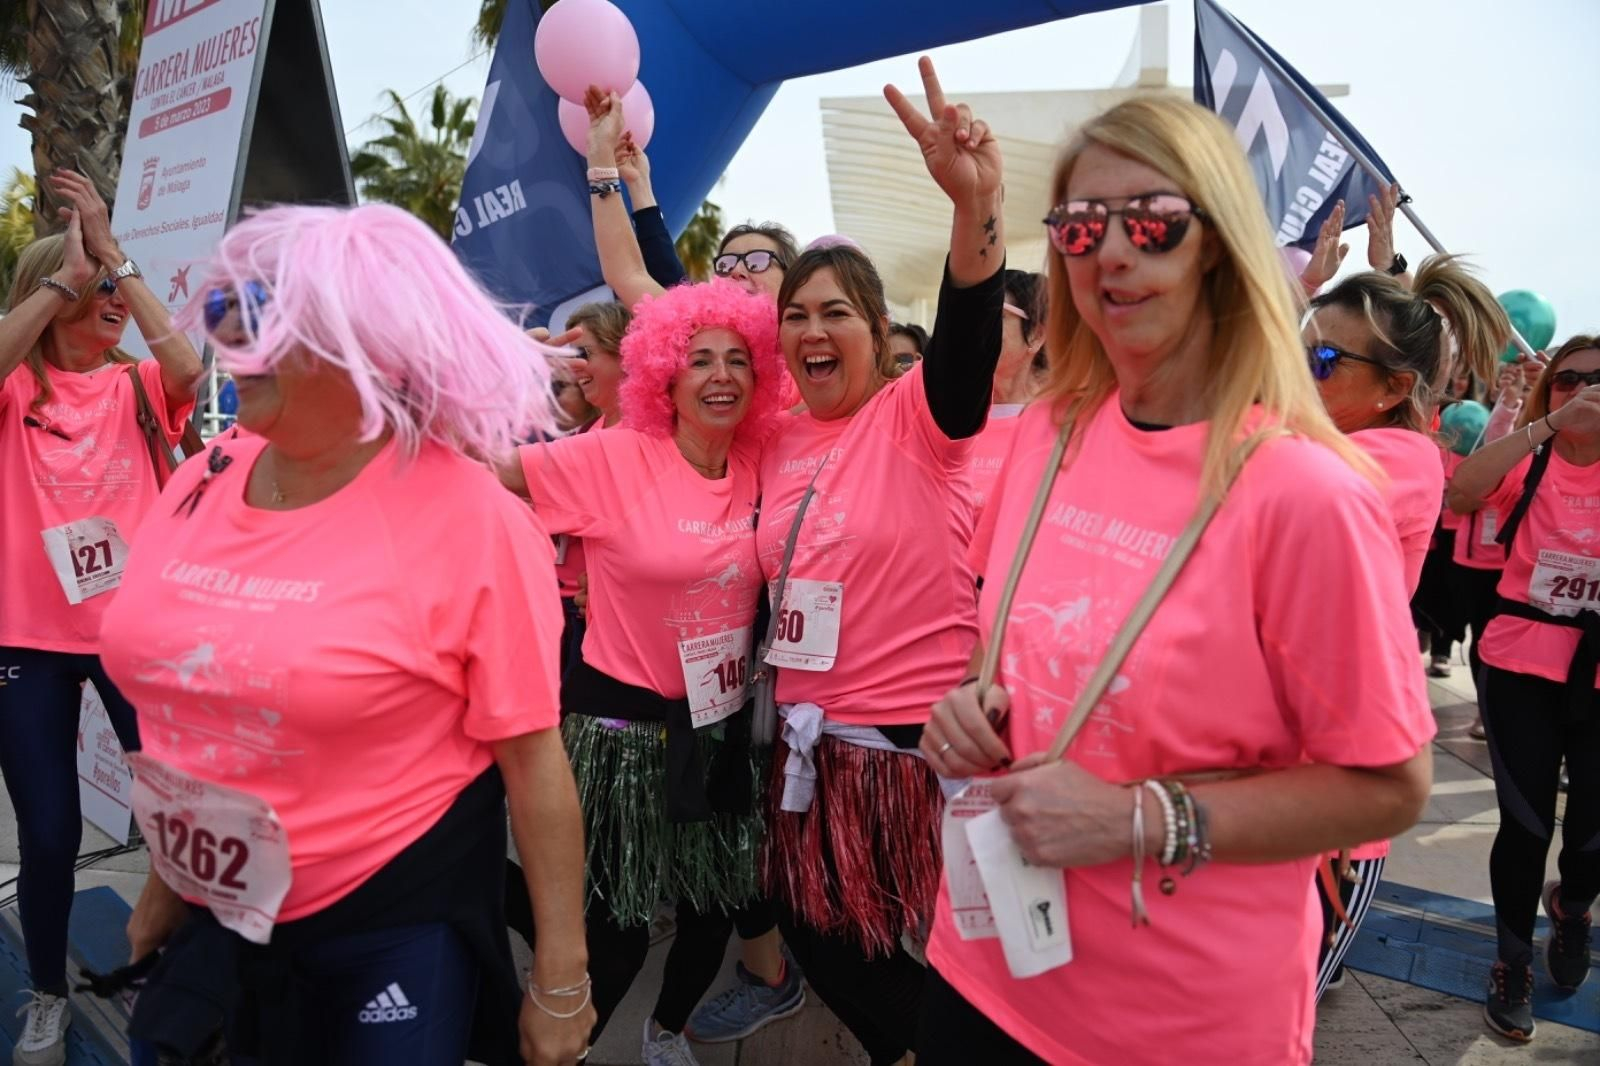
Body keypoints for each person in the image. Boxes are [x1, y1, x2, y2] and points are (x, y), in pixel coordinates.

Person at [915, 95, 1433, 1066]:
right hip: (983, 964)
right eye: (1076, 226)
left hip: (1174, 1024)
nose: (1109, 251)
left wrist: (1138, 818)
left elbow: (1390, 784)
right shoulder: (1042, 439)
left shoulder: (1305, 490)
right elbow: (1011, 638)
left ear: (1218, 245)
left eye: (1149, 221)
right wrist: (968, 703)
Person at [99, 203, 593, 1066]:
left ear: (364, 346)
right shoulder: (204, 482)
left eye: (266, 321)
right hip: (220, 909)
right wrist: (168, 883)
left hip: (387, 918)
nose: (232, 344)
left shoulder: (472, 520)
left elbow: (532, 758)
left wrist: (562, 975)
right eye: (230, 314)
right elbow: (191, 702)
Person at [750, 57, 1004, 1066]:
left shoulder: (917, 417)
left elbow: (971, 340)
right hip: (817, 748)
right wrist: (622, 184)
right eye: (796, 315)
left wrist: (973, 203)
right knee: (817, 923)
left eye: (836, 314)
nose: (814, 330)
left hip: (920, 751)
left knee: (962, 948)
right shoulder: (771, 435)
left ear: (876, 331)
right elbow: (653, 305)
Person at [500, 278, 787, 1066]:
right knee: (615, 929)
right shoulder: (616, 455)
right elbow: (491, 476)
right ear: (665, 374)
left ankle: (664, 1035)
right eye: (700, 360)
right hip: (619, 732)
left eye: (738, 360)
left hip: (719, 725)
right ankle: (559, 1046)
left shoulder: (760, 459)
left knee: (711, 907)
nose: (721, 375)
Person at [581, 93, 807, 1041]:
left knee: (731, 873)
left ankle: (708, 1006)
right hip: (673, 668)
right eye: (734, 258)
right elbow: (640, 274)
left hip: (771, 669)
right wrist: (615, 175)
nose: (743, 269)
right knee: (652, 891)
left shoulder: (815, 376)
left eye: (763, 259)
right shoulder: (715, 371)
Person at [0, 169, 204, 1065]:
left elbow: (190, 365)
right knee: (47, 835)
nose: (111, 302)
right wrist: (60, 279)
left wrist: (115, 255)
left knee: (180, 817)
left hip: (134, 639)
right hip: (26, 645)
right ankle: (46, 992)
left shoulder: (138, 389)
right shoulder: (15, 392)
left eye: (114, 292)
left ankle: (178, 979)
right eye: (96, 294)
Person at [1300, 256, 1508, 999]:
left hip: (1330, 815)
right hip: (1261, 789)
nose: (1300, 369)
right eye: (1296, 344)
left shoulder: (1402, 460)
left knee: (1267, 1018)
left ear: (1395, 389)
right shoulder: (1309, 440)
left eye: (1322, 359)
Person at [1447, 335, 1600, 1042]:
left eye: (1597, 380)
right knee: (1527, 821)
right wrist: (1541, 423)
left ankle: (1572, 907)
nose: (1582, 390)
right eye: (1568, 379)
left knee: (1592, 835)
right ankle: (1512, 962)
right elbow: (1462, 490)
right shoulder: (1532, 458)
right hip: (1521, 664)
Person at [968, 270, 1046, 524]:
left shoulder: (1062, 422)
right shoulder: (954, 417)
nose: (978, 326)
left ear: (1035, 334)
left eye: (994, 314)